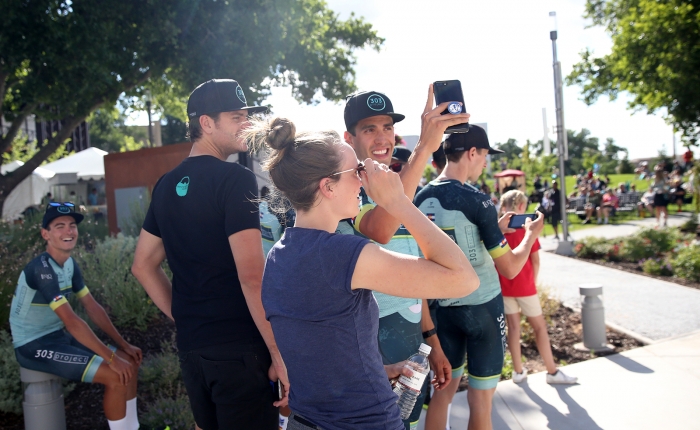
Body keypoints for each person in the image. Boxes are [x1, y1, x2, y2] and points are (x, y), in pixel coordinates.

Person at [245, 116, 479, 430]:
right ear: (327, 186)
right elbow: (464, 278)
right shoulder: (344, 256)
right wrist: (397, 202)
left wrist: (379, 371)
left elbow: (321, 355)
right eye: (357, 170)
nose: (363, 179)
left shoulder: (279, 256)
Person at [131, 79, 287, 430]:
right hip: (240, 348)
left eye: (246, 116)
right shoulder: (236, 179)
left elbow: (142, 265)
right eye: (236, 117)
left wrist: (187, 317)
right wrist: (278, 352)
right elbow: (251, 275)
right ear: (206, 123)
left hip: (193, 347)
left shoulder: (166, 185)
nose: (246, 125)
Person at [336, 88, 470, 430]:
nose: (382, 137)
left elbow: (413, 274)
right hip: (369, 353)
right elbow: (380, 229)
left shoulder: (397, 183)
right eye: (369, 129)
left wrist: (431, 340)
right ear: (348, 137)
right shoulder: (346, 187)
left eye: (387, 127)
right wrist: (426, 146)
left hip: (409, 346)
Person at [416, 127, 544, 430]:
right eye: (485, 155)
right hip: (482, 306)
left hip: (441, 311)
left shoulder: (419, 197)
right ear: (472, 153)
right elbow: (510, 267)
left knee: (442, 393)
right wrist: (529, 237)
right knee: (481, 400)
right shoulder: (478, 199)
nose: (485, 163)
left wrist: (490, 228)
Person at [10, 203, 142, 430]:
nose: (68, 231)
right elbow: (72, 321)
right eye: (59, 226)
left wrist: (123, 345)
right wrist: (111, 359)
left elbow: (93, 308)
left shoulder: (69, 264)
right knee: (115, 374)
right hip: (32, 344)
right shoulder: (42, 269)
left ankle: (133, 427)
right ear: (46, 234)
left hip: (57, 336)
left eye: (72, 226)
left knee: (129, 362)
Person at [497, 191, 577, 385]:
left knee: (513, 328)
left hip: (505, 285)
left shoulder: (497, 228)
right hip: (525, 285)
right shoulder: (528, 229)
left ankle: (518, 371)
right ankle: (551, 371)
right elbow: (535, 260)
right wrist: (533, 281)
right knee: (539, 328)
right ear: (522, 206)